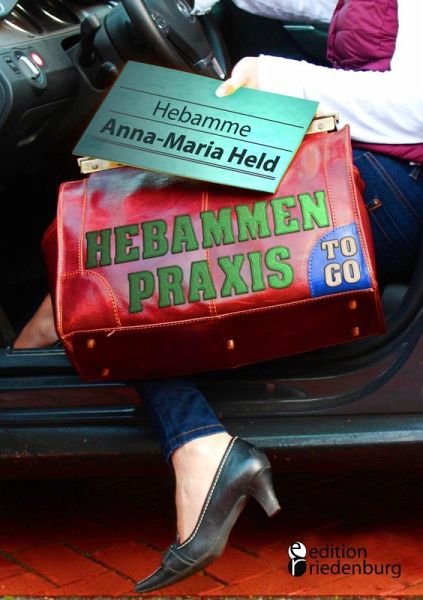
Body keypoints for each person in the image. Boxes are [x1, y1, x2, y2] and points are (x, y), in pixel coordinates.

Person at [13, 0, 423, 593]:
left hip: (387, 186)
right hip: (363, 160)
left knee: (126, 247)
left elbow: (416, 109)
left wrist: (276, 77)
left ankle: (193, 443)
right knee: (103, 243)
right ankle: (62, 338)